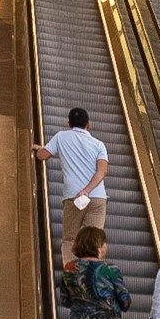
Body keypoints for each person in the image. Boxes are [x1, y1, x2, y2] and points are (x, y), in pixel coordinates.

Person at [34, 106, 109, 266]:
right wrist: (87, 191)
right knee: (94, 240)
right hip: (97, 198)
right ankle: (92, 278)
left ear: (69, 124)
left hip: (73, 198)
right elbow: (102, 172)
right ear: (88, 124)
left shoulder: (61, 137)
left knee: (70, 238)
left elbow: (42, 155)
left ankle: (72, 276)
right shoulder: (99, 145)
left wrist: (38, 149)